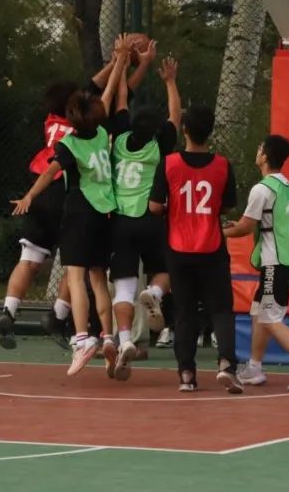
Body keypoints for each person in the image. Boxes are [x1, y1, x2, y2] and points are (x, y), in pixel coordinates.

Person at [12, 39, 130, 375]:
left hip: (80, 212)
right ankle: (107, 336)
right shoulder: (103, 135)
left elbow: (49, 173)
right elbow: (107, 97)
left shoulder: (70, 143)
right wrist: (120, 62)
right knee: (99, 279)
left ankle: (82, 339)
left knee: (75, 277)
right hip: (107, 214)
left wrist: (29, 196)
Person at [148, 104, 241, 394]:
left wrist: (171, 209)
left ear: (184, 130)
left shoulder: (169, 163)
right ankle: (226, 364)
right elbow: (227, 206)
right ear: (210, 132)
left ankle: (186, 373)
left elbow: (154, 206)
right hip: (211, 246)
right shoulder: (222, 165)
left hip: (179, 247)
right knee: (221, 309)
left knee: (184, 311)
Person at [223, 134, 289, 391]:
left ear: (265, 156)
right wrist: (239, 225)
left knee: (269, 317)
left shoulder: (262, 188)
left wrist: (218, 232)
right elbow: (263, 221)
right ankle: (254, 367)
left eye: (260, 148)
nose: (257, 151)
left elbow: (246, 227)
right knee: (259, 310)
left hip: (276, 263)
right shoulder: (286, 185)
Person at [105, 56, 181, 380]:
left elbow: (122, 98)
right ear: (156, 129)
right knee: (163, 271)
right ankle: (155, 294)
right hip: (149, 219)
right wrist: (170, 81)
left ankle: (124, 340)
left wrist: (122, 62)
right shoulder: (159, 145)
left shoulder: (119, 138)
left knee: (122, 288)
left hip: (120, 221)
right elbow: (175, 116)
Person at [0, 80, 78, 349]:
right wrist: (119, 65)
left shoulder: (50, 121)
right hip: (65, 193)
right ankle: (58, 317)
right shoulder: (83, 130)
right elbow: (102, 93)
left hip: (39, 192)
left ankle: (8, 311)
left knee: (28, 260)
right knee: (76, 266)